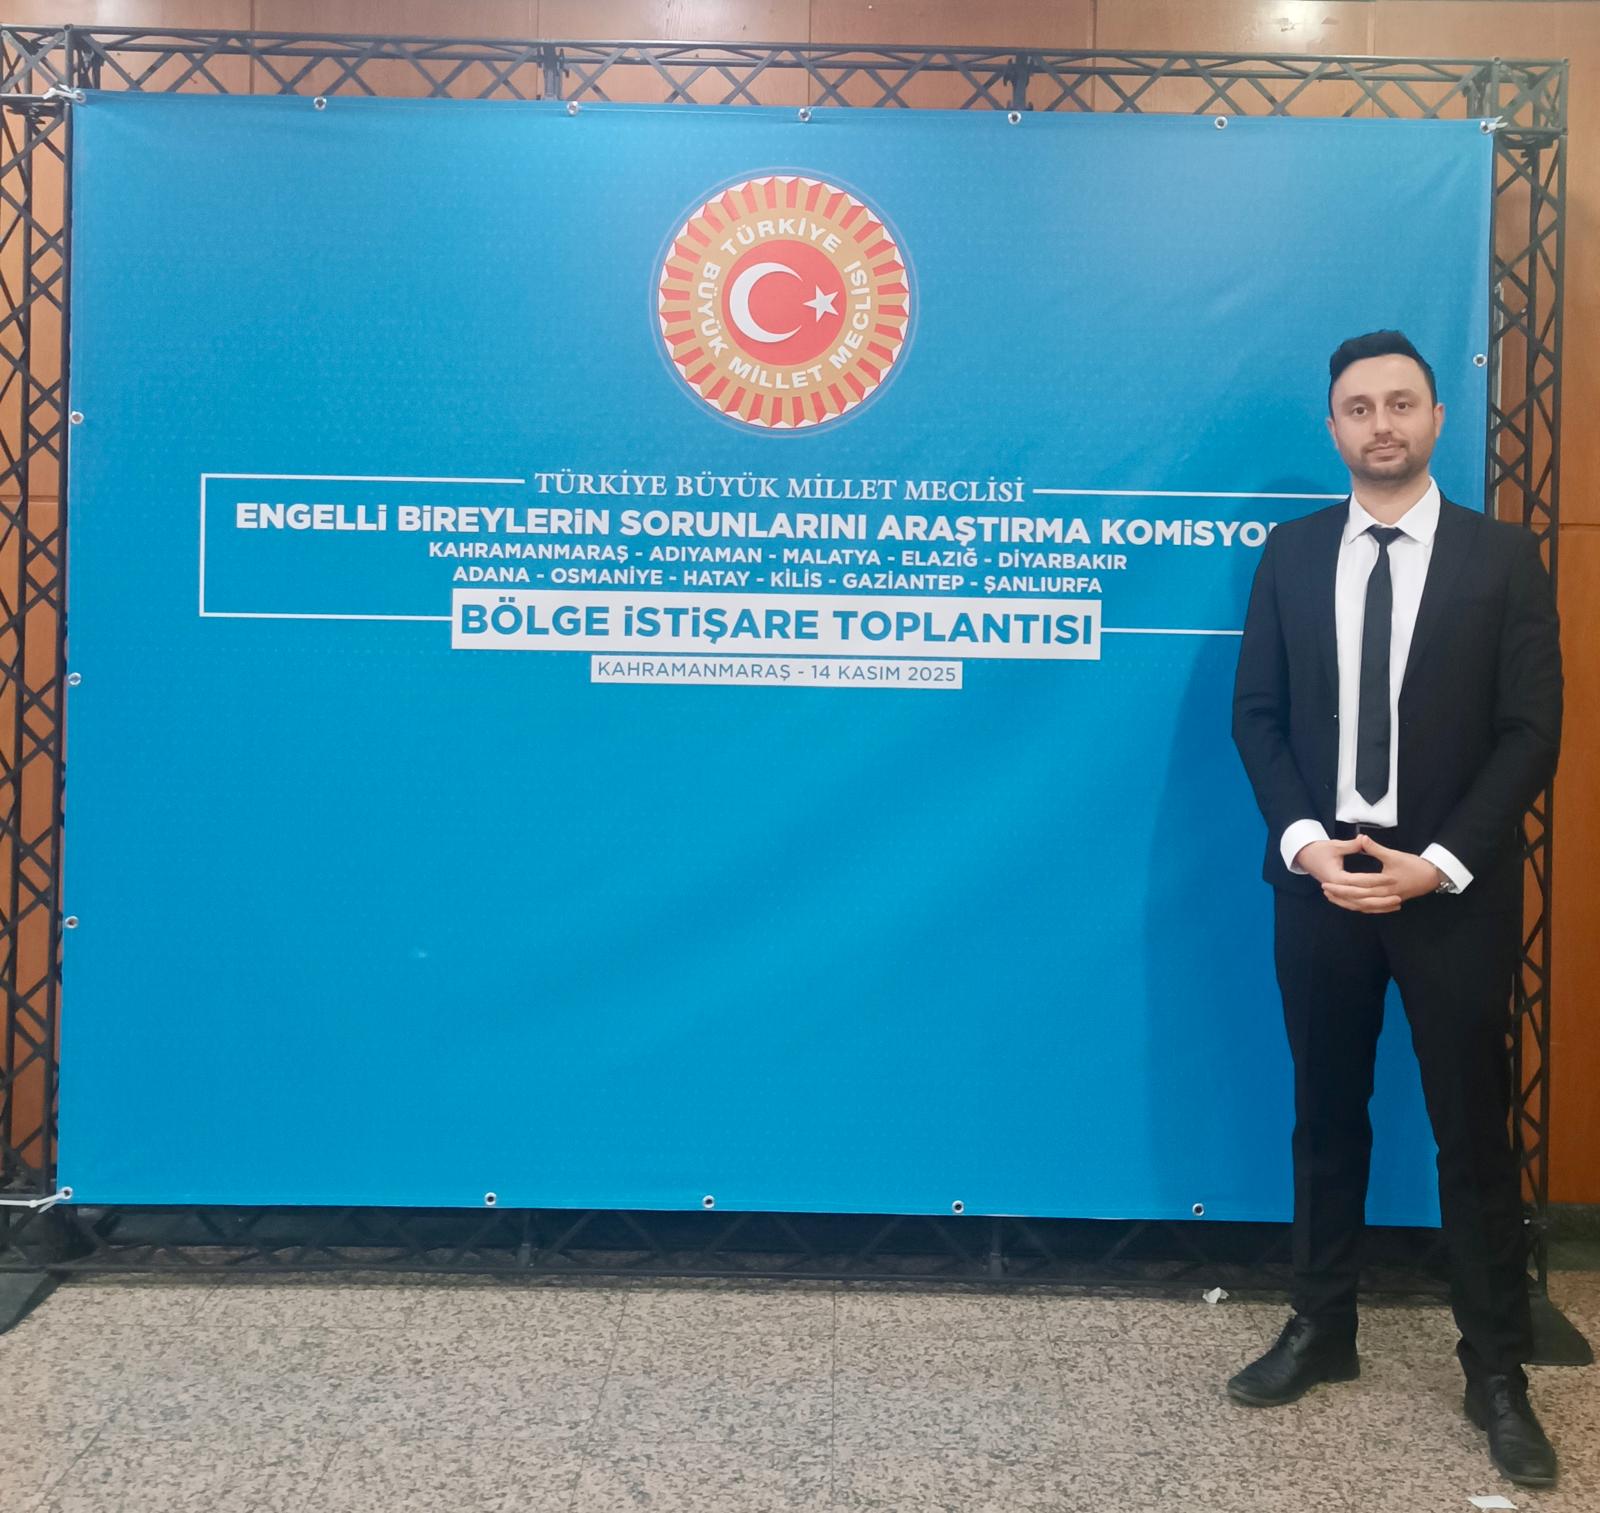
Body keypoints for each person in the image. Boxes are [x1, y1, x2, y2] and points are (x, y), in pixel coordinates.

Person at [1229, 330, 1564, 1488]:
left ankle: (1496, 1370)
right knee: (1324, 1117)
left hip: (1448, 894)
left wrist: (1438, 863)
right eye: (1359, 407)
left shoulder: (1502, 557)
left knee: (1471, 1133)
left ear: (1436, 418)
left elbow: (1531, 731)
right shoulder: (1289, 554)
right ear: (1333, 427)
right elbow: (1256, 716)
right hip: (1322, 887)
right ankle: (1321, 1328)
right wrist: (1306, 843)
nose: (1382, 423)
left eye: (1402, 403)